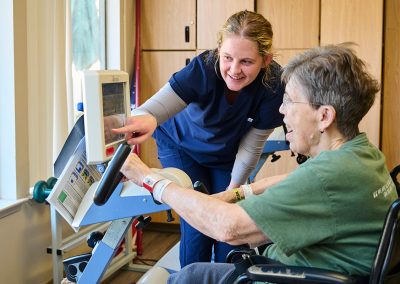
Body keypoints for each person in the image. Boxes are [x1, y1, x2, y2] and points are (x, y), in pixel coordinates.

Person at [120, 43, 399, 283]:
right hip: (312, 268)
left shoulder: (326, 177)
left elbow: (227, 228)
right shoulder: (362, 154)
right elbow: (292, 182)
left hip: (278, 277)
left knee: (191, 275)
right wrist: (237, 193)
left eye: (290, 101)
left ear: (324, 116)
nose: (281, 109)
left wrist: (149, 178)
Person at [113, 10, 284, 266]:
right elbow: (151, 110)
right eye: (227, 58)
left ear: (266, 59)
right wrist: (147, 119)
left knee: (230, 224)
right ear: (218, 50)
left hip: (224, 153)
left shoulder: (273, 87)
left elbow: (252, 146)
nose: (234, 70)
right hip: (180, 145)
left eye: (246, 62)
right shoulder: (203, 68)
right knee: (198, 223)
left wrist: (234, 189)